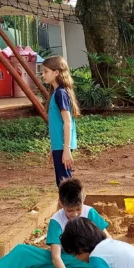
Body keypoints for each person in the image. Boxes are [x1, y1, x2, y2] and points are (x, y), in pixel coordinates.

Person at [40, 55, 79, 187]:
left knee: (65, 184)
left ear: (56, 72)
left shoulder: (60, 93)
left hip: (63, 146)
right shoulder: (56, 92)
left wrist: (65, 149)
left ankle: (76, 200)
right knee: (62, 182)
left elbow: (67, 122)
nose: (43, 75)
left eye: (46, 71)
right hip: (59, 146)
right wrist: (54, 147)